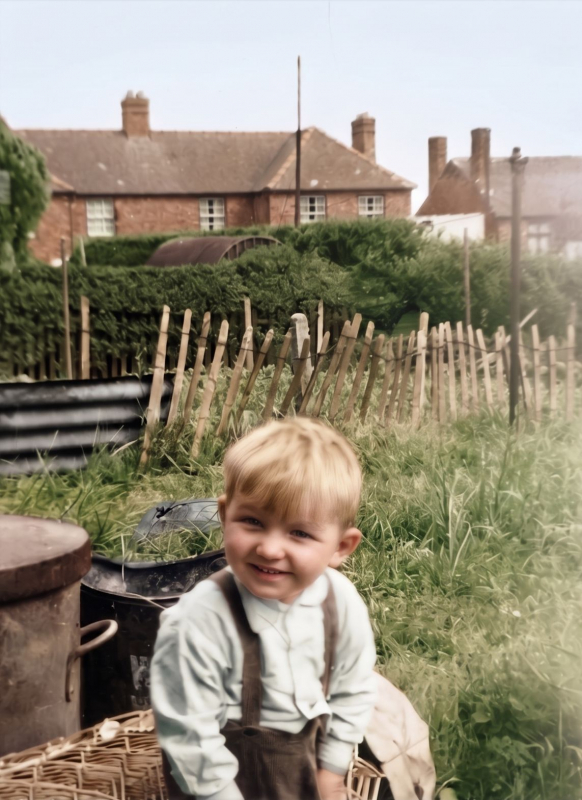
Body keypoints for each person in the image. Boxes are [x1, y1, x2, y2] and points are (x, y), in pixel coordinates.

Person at [150, 417, 377, 800]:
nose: (270, 549)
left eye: (299, 533)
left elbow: (353, 689)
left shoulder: (340, 603)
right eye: (252, 522)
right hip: (216, 785)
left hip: (302, 773)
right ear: (225, 516)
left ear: (340, 547)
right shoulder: (199, 621)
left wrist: (332, 768)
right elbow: (189, 735)